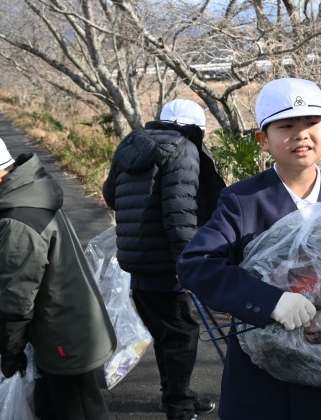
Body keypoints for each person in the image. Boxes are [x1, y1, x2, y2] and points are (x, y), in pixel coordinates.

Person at [177, 78, 321, 420]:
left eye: (311, 123)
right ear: (263, 139)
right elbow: (196, 265)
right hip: (261, 389)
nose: (301, 135)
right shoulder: (243, 202)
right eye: (286, 126)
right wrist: (270, 301)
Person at [0, 129, 117, 420]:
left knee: (79, 411)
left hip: (64, 336)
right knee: (52, 407)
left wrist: (9, 348)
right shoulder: (34, 195)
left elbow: (17, 294)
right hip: (68, 325)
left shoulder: (17, 221)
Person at [102, 99, 224, 420]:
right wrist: (189, 266)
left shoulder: (130, 145)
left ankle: (174, 396)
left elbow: (110, 196)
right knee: (181, 335)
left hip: (137, 259)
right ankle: (179, 407)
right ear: (195, 128)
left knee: (168, 333)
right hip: (167, 263)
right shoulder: (183, 149)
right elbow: (179, 214)